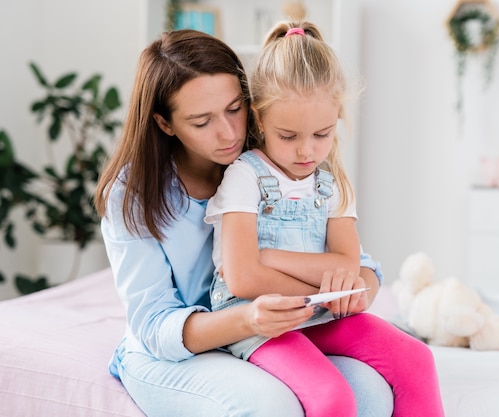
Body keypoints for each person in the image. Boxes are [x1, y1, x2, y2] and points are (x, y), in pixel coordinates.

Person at [94, 29, 396, 417]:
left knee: (372, 394)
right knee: (271, 405)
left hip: (263, 335)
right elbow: (154, 326)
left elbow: (349, 260)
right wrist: (248, 318)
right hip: (174, 351)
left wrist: (359, 286)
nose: (229, 133)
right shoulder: (132, 193)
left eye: (234, 109)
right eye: (202, 122)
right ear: (165, 123)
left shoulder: (269, 159)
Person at [203, 21, 444, 417]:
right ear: (260, 121)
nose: (306, 151)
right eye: (288, 135)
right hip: (256, 320)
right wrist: (318, 284)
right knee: (332, 395)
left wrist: (270, 257)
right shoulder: (245, 177)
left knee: (416, 359)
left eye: (322, 134)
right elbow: (243, 279)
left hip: (320, 311)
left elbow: (347, 265)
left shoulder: (331, 185)